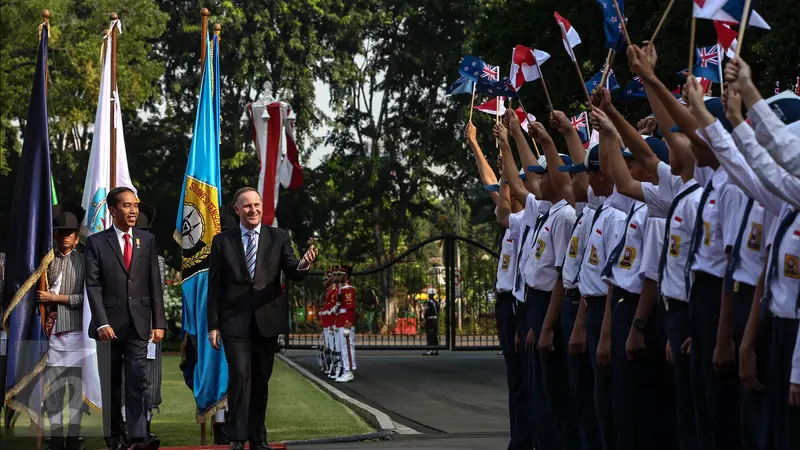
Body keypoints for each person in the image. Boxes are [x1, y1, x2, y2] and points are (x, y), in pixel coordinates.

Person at [207, 187, 318, 450]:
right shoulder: (223, 241)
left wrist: (303, 265)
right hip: (234, 323)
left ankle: (259, 438)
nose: (253, 209)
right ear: (237, 210)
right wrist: (213, 325)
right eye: (247, 206)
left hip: (266, 324)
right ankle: (237, 438)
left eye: (257, 204)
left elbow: (292, 269)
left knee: (259, 381)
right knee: (240, 377)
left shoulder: (278, 237)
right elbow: (215, 287)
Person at [84, 187, 166, 450]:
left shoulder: (147, 240)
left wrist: (159, 322)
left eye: (135, 206)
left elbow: (154, 282)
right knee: (111, 385)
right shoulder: (96, 243)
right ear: (112, 210)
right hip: (108, 327)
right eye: (127, 206)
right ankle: (115, 438)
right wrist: (102, 322)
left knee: (137, 380)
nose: (133, 211)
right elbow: (93, 285)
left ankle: (138, 437)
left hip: (139, 325)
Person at [40, 203, 86, 450]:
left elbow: (86, 299)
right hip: (50, 333)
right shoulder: (46, 261)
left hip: (77, 331)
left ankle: (75, 434)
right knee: (54, 390)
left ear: (76, 237)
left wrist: (55, 299)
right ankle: (56, 435)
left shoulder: (85, 261)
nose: (64, 237)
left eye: (69, 233)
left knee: (75, 387)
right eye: (60, 232)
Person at [336, 265, 356, 382]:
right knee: (343, 347)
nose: (338, 277)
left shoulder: (348, 289)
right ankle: (345, 370)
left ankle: (349, 371)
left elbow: (350, 308)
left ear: (345, 275)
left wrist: (348, 325)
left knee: (347, 347)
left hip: (345, 321)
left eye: (340, 274)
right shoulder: (342, 288)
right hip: (341, 320)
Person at [423, 288, 439, 356]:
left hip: (430, 320)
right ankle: (435, 349)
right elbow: (438, 310)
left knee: (430, 335)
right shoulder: (436, 302)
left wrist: (425, 318)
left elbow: (427, 312)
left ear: (429, 295)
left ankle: (430, 350)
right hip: (435, 319)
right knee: (435, 335)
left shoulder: (429, 302)